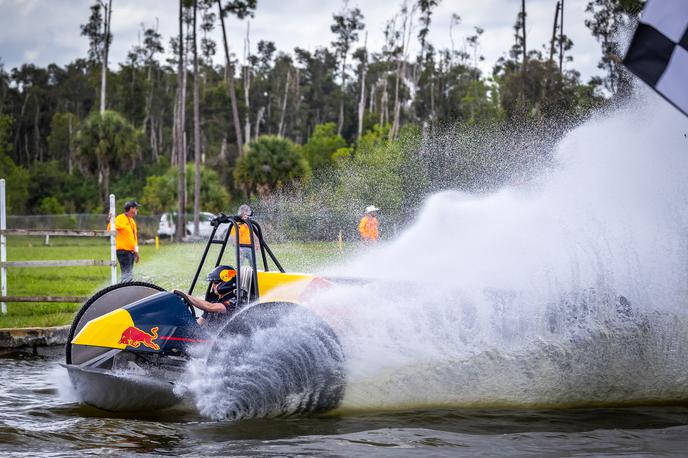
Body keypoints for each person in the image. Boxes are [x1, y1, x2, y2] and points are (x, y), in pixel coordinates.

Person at [108, 200, 141, 282]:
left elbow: (134, 238)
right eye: (136, 208)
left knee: (128, 274)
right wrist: (110, 219)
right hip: (123, 252)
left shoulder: (132, 221)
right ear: (131, 208)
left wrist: (136, 252)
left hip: (131, 252)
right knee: (127, 275)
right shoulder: (120, 218)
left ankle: (126, 289)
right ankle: (124, 290)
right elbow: (110, 228)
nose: (137, 210)